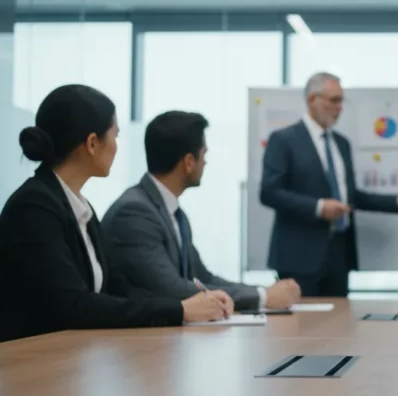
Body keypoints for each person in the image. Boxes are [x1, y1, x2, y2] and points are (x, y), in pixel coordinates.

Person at [0, 85, 230, 347]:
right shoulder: (34, 208)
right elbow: (74, 305)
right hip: (21, 361)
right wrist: (180, 311)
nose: (116, 147)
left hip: (66, 354)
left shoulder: (78, 207)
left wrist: (182, 307)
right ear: (93, 143)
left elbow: (119, 289)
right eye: (114, 136)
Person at [102, 111, 301, 312]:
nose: (205, 162)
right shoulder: (134, 213)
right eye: (204, 154)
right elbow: (171, 288)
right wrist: (263, 297)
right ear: (189, 162)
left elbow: (204, 278)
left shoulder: (173, 212)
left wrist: (262, 291)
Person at [260, 72, 398, 297]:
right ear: (312, 100)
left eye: (341, 101)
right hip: (298, 256)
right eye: (334, 100)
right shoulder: (284, 140)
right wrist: (319, 207)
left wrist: (396, 201)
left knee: (339, 327)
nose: (340, 108)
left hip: (339, 253)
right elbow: (269, 192)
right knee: (299, 329)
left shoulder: (341, 143)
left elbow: (349, 197)